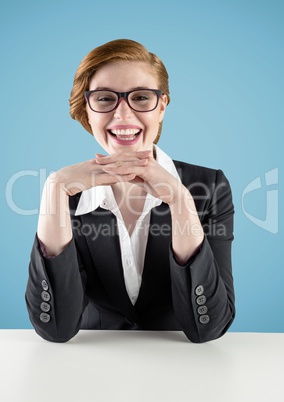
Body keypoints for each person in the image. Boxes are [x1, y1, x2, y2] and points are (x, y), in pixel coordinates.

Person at [25, 39, 235, 343]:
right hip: (90, 369)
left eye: (140, 97)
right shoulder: (67, 194)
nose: (123, 116)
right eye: (105, 98)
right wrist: (54, 190)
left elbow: (209, 328)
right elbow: (55, 329)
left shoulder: (210, 187)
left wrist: (180, 200)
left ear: (161, 106)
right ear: (88, 108)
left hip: (184, 368)